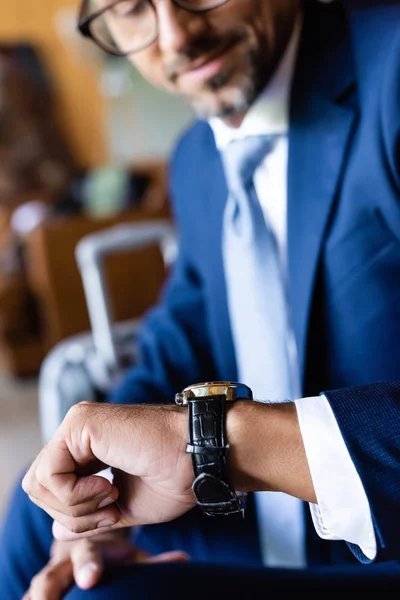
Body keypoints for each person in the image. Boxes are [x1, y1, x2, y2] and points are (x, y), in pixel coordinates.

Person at [1, 0, 400, 597]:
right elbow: (176, 340)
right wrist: (94, 491)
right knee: (42, 527)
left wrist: (217, 444)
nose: (177, 34)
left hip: (382, 525)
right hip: (264, 526)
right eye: (132, 8)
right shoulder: (197, 159)